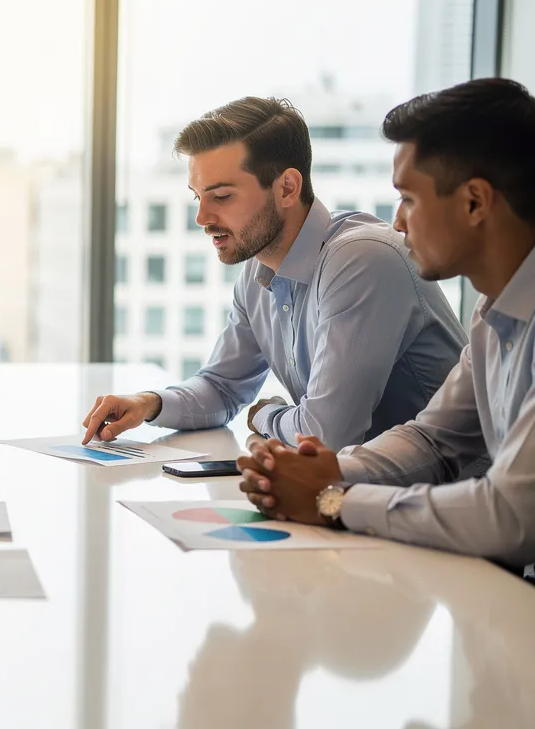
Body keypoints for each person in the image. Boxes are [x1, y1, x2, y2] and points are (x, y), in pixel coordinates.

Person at [237, 78, 535, 571]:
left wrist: (332, 501)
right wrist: (328, 472)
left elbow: (512, 515)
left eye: (410, 199)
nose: (397, 223)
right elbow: (433, 439)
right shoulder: (494, 313)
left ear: (475, 202)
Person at [82, 96, 464, 450]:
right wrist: (148, 404)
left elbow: (325, 436)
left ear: (287, 187)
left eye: (222, 197)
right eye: (198, 197)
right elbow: (222, 387)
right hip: (362, 493)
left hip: (444, 500)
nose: (202, 218)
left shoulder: (361, 260)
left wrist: (265, 414)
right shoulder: (258, 270)